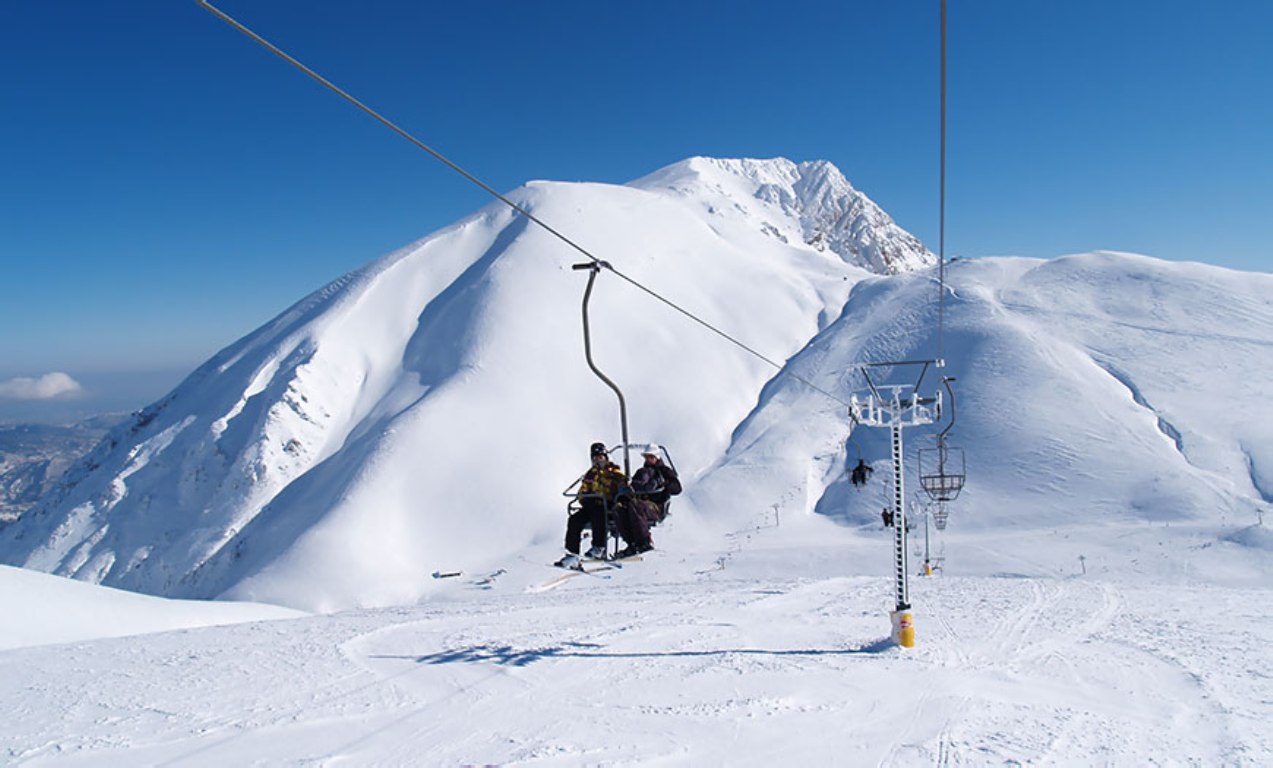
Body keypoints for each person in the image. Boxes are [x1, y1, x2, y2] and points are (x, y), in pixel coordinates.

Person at [557, 442, 627, 568]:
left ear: (605, 457)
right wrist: (585, 497)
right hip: (592, 506)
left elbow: (622, 489)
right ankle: (572, 554)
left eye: (600, 457)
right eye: (594, 458)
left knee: (598, 511)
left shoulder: (614, 473)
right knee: (574, 519)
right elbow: (582, 492)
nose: (597, 460)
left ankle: (599, 547)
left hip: (608, 507)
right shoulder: (590, 474)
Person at [614, 475, 662, 558]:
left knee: (635, 505)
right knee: (619, 509)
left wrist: (657, 481)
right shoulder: (640, 472)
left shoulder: (660, 471)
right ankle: (631, 544)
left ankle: (644, 542)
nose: (648, 460)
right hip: (636, 503)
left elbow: (676, 488)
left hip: (653, 506)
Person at [633, 446, 681, 523]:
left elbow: (677, 488)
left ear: (657, 457)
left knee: (638, 508)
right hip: (642, 502)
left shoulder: (664, 471)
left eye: (651, 457)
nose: (648, 460)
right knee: (623, 508)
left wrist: (663, 483)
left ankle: (643, 535)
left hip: (657, 506)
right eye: (646, 457)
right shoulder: (642, 472)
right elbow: (634, 485)